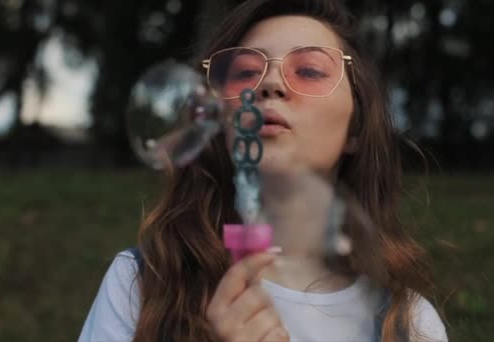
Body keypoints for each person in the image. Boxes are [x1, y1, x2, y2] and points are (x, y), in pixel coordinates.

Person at [79, 0, 448, 341]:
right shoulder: (142, 284)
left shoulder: (408, 324)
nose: (269, 84)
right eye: (245, 72)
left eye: (308, 70)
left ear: (355, 128)